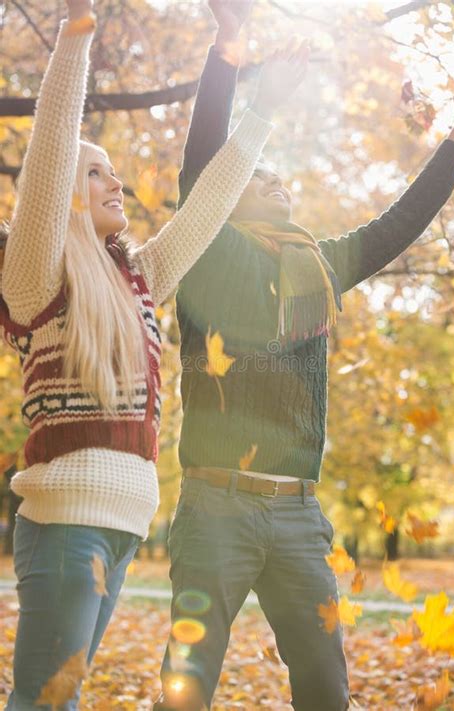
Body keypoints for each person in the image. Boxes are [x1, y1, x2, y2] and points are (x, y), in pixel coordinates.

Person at [156, 2, 454, 710]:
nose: (278, 183)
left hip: (298, 513)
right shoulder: (207, 250)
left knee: (327, 688)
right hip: (216, 506)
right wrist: (228, 49)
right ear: (228, 201)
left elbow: (397, 226)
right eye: (260, 179)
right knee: (188, 685)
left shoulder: (321, 267)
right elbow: (203, 161)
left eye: (282, 179)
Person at [1, 0, 309, 708]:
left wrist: (261, 105)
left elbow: (206, 206)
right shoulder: (36, 277)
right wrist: (77, 33)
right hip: (68, 524)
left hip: (123, 527)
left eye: (115, 173)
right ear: (67, 196)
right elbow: (51, 151)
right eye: (99, 174)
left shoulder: (137, 279)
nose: (118, 185)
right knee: (44, 703)